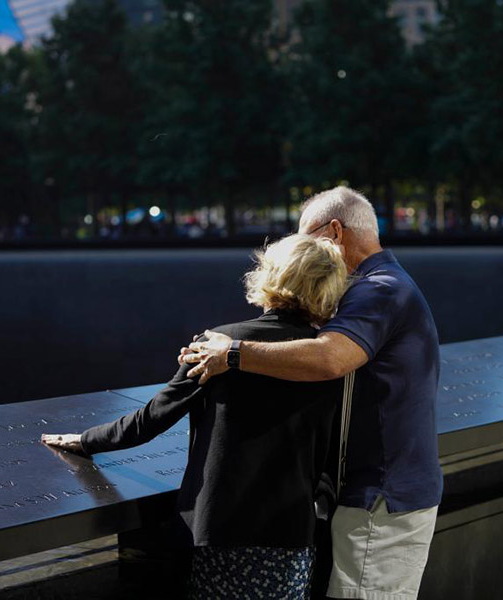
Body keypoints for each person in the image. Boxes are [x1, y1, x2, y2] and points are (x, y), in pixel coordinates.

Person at [42, 234, 350, 599]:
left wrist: (85, 440)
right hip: (290, 531)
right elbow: (332, 449)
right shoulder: (327, 359)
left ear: (271, 274)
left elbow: (154, 417)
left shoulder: (219, 344)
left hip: (222, 527)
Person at [182, 186, 443, 600]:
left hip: (380, 497)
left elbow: (328, 358)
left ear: (335, 232)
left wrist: (232, 352)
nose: (304, 248)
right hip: (385, 491)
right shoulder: (389, 283)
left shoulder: (378, 290)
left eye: (307, 236)